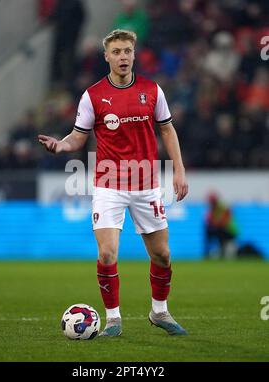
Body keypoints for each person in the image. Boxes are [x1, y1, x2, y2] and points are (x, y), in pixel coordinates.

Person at [38, 30, 188, 337]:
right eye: (116, 52)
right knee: (107, 253)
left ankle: (159, 312)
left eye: (127, 51)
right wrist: (61, 145)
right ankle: (113, 320)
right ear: (106, 56)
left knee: (162, 255)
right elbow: (77, 137)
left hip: (146, 185)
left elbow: (168, 130)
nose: (122, 57)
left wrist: (178, 170)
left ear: (134, 55)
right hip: (109, 186)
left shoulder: (152, 90)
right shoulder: (92, 96)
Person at [205, 192, 238, 259]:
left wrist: (215, 223)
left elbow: (224, 220)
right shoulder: (213, 208)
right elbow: (209, 220)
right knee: (210, 231)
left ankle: (223, 252)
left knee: (220, 234)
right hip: (222, 229)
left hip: (230, 230)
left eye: (211, 201)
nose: (210, 203)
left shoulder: (222, 206)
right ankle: (213, 252)